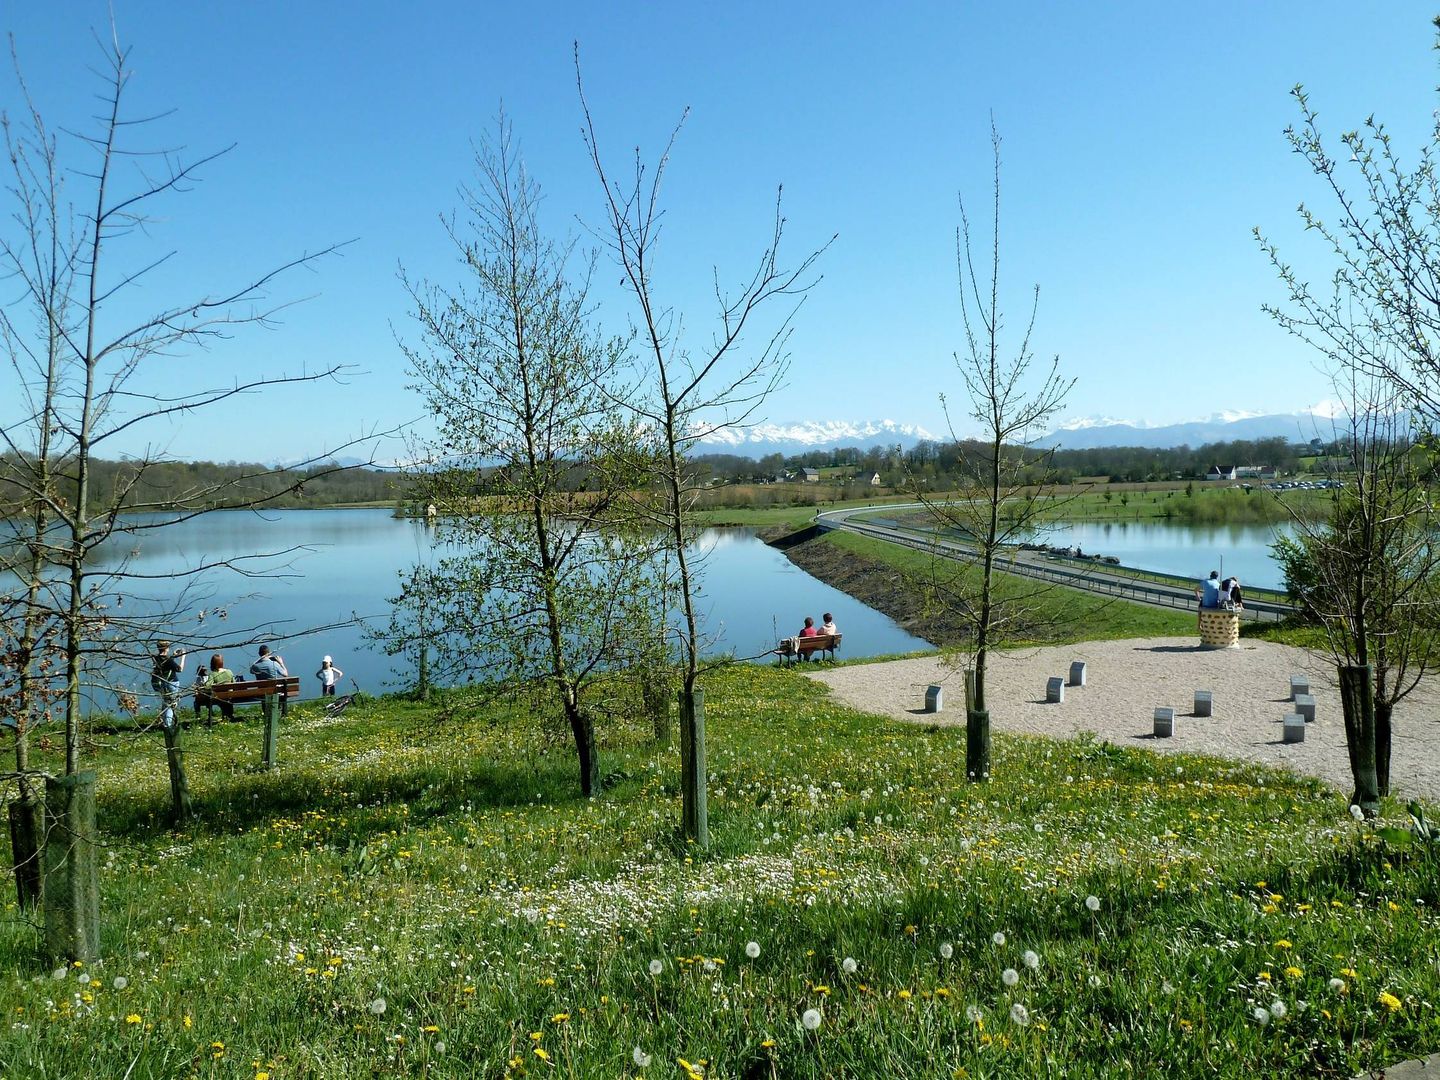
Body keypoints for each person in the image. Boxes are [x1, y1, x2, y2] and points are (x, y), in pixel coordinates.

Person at [150, 640, 186, 730]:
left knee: (165, 702)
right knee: (170, 704)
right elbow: (179, 669)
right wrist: (183, 657)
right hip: (171, 683)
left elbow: (165, 664)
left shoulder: (155, 658)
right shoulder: (168, 660)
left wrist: (173, 656)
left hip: (161, 683)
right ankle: (168, 726)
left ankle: (164, 722)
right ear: (167, 648)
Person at [251, 644, 290, 714]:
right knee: (281, 688)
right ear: (269, 653)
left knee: (263, 691)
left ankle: (266, 712)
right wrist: (281, 663)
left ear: (259, 654)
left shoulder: (255, 666)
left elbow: (251, 670)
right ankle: (281, 712)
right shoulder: (274, 664)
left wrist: (259, 660)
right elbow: (286, 674)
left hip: (262, 692)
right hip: (274, 690)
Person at [204, 653, 236, 723]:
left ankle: (226, 716)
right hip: (230, 695)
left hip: (219, 697)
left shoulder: (213, 674)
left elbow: (207, 686)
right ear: (222, 662)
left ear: (213, 663)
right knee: (227, 698)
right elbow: (234, 683)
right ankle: (229, 715)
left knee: (217, 697)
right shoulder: (229, 671)